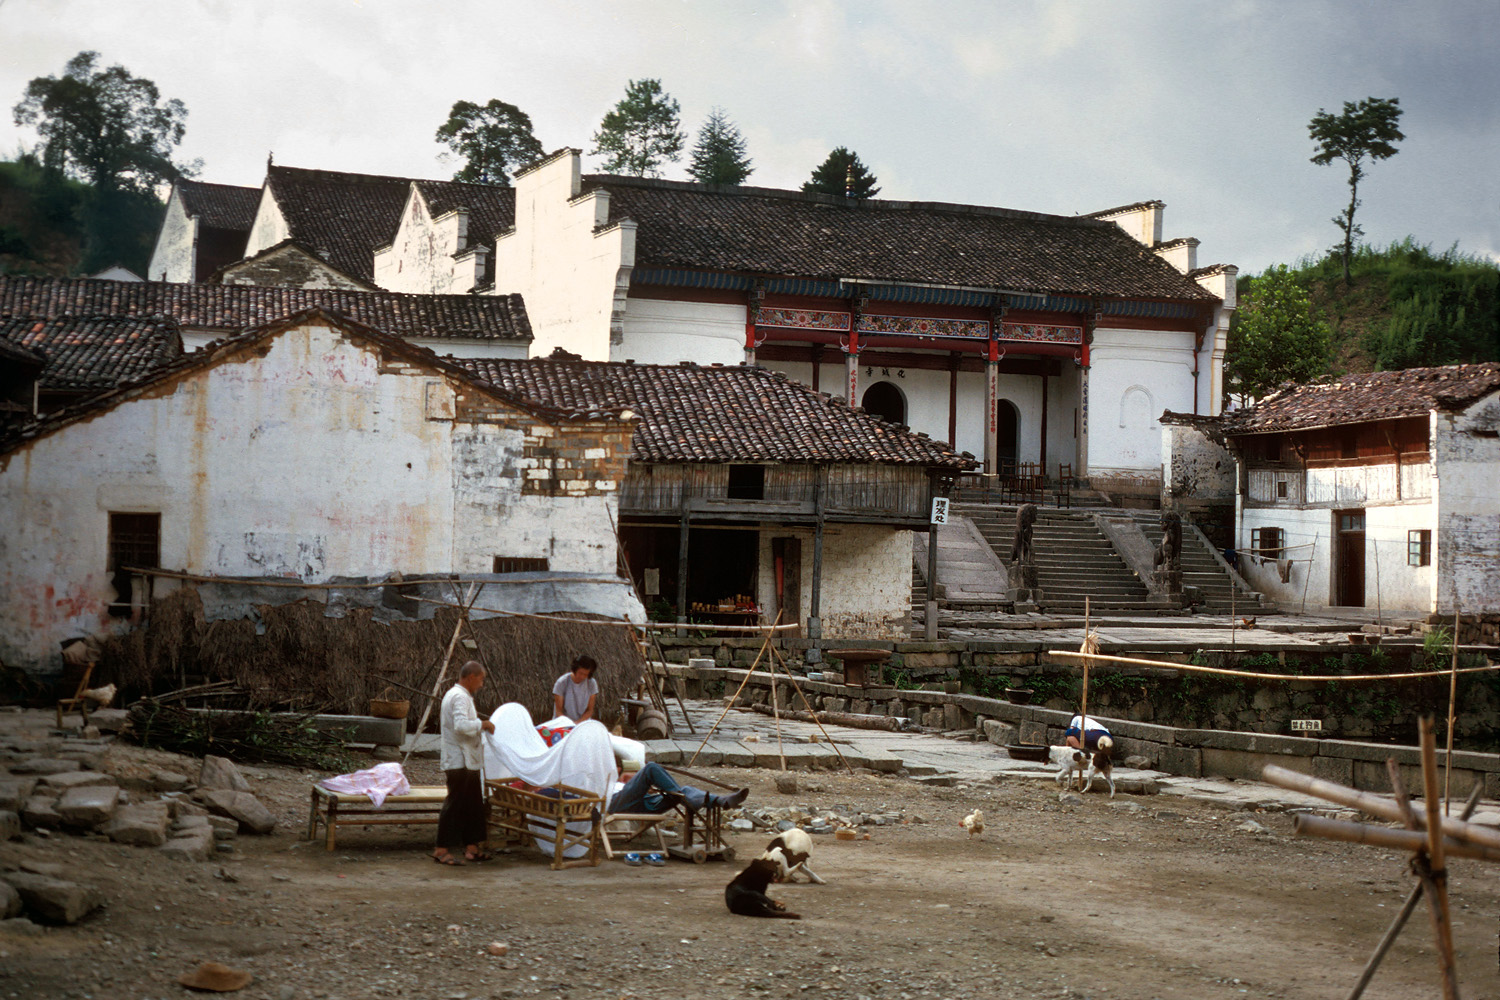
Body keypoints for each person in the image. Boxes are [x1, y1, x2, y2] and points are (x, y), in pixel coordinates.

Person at [433, 660, 495, 866]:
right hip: (459, 761)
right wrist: (482, 724)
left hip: (466, 761)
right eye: (481, 679)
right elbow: (460, 726)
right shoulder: (458, 696)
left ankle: (472, 847)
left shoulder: (460, 695)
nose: (481, 684)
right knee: (455, 804)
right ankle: (441, 849)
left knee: (473, 804)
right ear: (471, 677)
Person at [608, 761, 747, 815]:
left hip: (642, 802)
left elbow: (649, 790)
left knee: (685, 790)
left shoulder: (621, 780)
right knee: (650, 767)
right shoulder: (599, 778)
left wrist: (636, 782)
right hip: (615, 802)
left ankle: (721, 800)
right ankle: (687, 799)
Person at [552, 654, 599, 723]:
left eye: (585, 674)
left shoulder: (591, 683)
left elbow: (590, 710)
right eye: (580, 673)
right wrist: (569, 724)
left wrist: (578, 723)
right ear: (575, 670)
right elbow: (559, 711)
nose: (582, 677)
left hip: (583, 722)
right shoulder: (562, 682)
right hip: (562, 723)